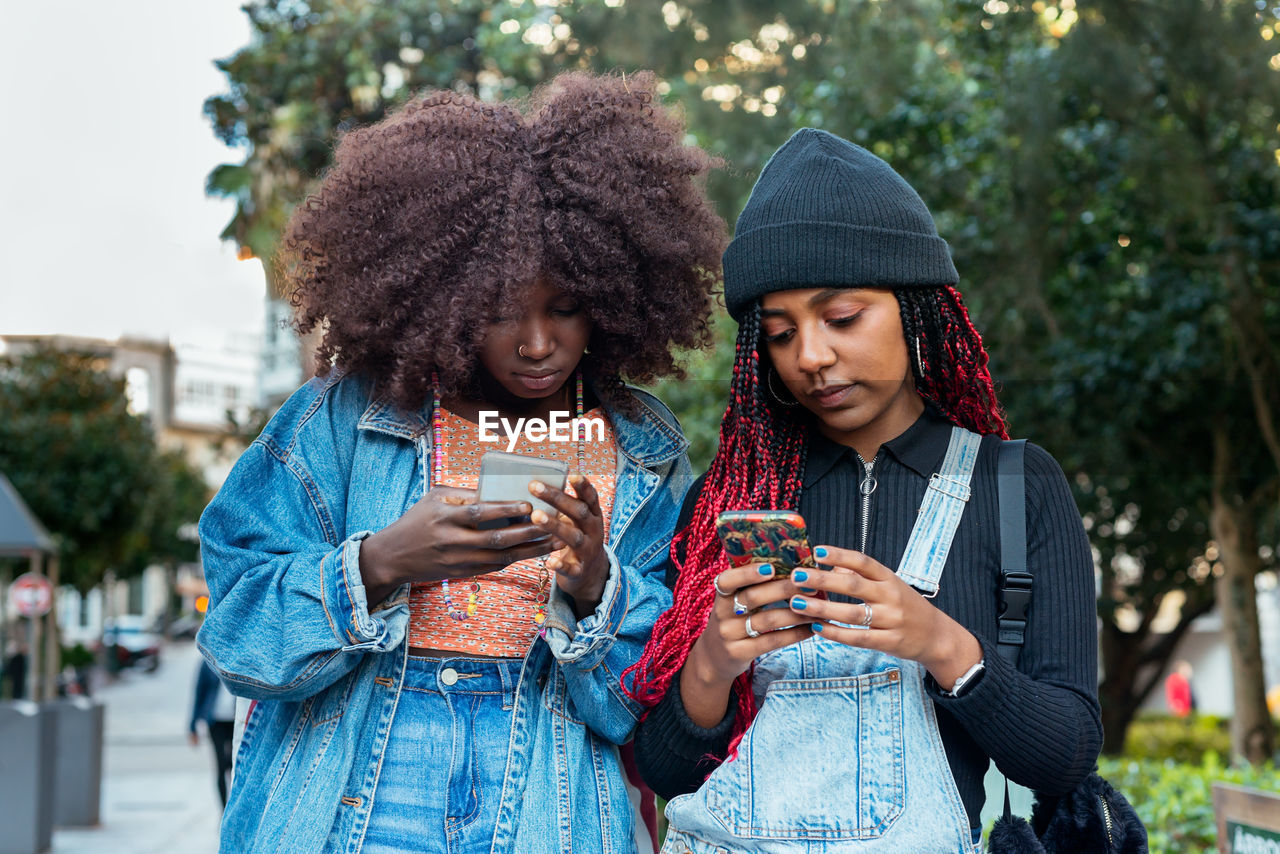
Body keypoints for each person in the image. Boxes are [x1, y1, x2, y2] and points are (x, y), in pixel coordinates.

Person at [196, 71, 726, 854]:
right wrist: (379, 563)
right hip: (353, 797)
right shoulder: (345, 417)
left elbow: (643, 708)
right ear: (444, 295)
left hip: (550, 800)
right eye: (502, 312)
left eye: (566, 308)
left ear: (614, 297)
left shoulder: (641, 449)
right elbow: (238, 636)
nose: (538, 343)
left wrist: (593, 587)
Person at [624, 129, 1103, 853]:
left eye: (842, 317)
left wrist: (941, 643)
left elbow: (1064, 758)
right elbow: (666, 773)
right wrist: (713, 665)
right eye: (781, 335)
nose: (812, 357)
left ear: (916, 309)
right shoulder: (726, 505)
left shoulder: (1014, 485)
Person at [189, 657, 236, 807]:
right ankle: (223, 810)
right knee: (220, 765)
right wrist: (192, 726)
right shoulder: (208, 661)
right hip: (215, 721)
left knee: (236, 764)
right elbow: (199, 692)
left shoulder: (238, 658)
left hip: (237, 721)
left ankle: (234, 809)